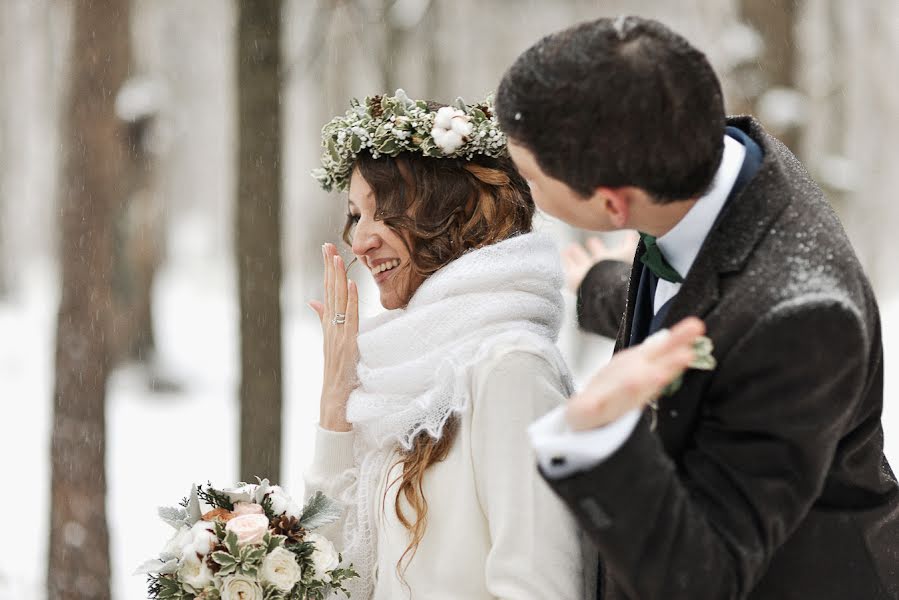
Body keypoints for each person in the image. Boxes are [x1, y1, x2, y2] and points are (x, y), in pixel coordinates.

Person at [494, 15, 899, 600]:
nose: (522, 186)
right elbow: (708, 286)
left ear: (612, 203)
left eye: (530, 177)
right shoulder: (718, 162)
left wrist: (595, 436)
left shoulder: (803, 320)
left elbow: (706, 578)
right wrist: (607, 286)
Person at [303, 91, 698, 599]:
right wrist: (337, 400)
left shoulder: (510, 368)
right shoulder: (397, 379)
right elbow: (331, 578)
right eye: (357, 216)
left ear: (449, 215)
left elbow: (541, 587)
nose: (360, 242)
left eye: (384, 214)